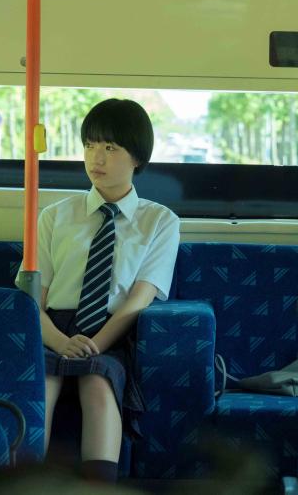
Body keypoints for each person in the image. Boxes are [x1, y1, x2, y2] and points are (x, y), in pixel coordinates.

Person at [17, 98, 180, 482]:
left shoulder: (160, 221)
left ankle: (98, 485)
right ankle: (26, 484)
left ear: (137, 157)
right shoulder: (54, 217)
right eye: (90, 146)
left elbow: (138, 300)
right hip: (51, 328)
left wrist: (94, 344)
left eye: (110, 147)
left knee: (97, 384)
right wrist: (60, 342)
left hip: (112, 330)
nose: (97, 158)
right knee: (41, 385)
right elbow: (31, 299)